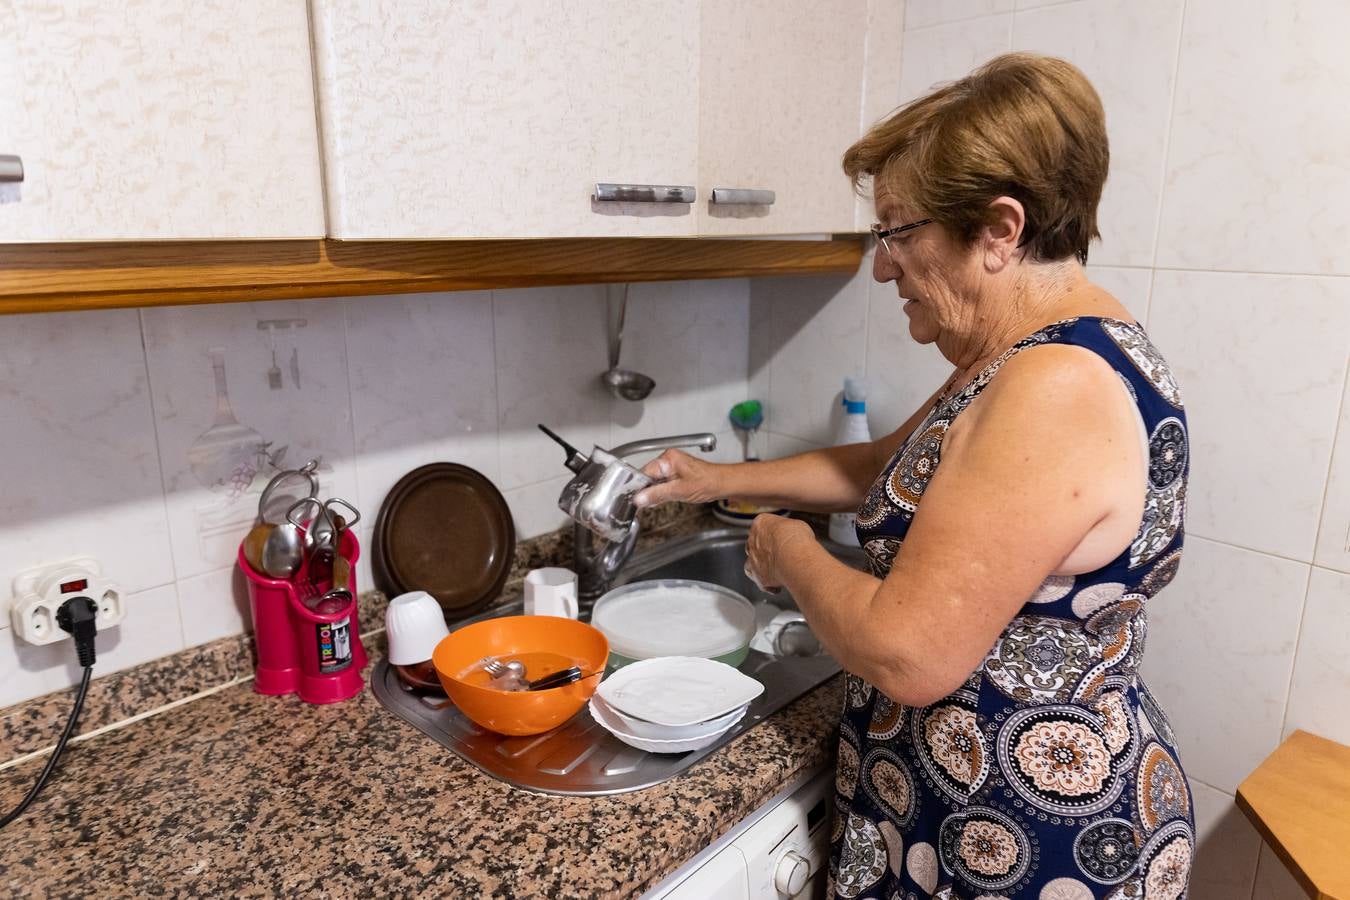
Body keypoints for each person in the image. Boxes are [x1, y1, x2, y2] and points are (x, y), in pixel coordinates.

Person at [634, 52, 1194, 899]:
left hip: (1028, 837)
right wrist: (719, 480)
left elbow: (907, 652)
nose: (884, 266)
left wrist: (787, 551)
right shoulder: (1029, 349)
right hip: (967, 802)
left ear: (1000, 230)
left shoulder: (1053, 386)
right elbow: (888, 465)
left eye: (898, 232)